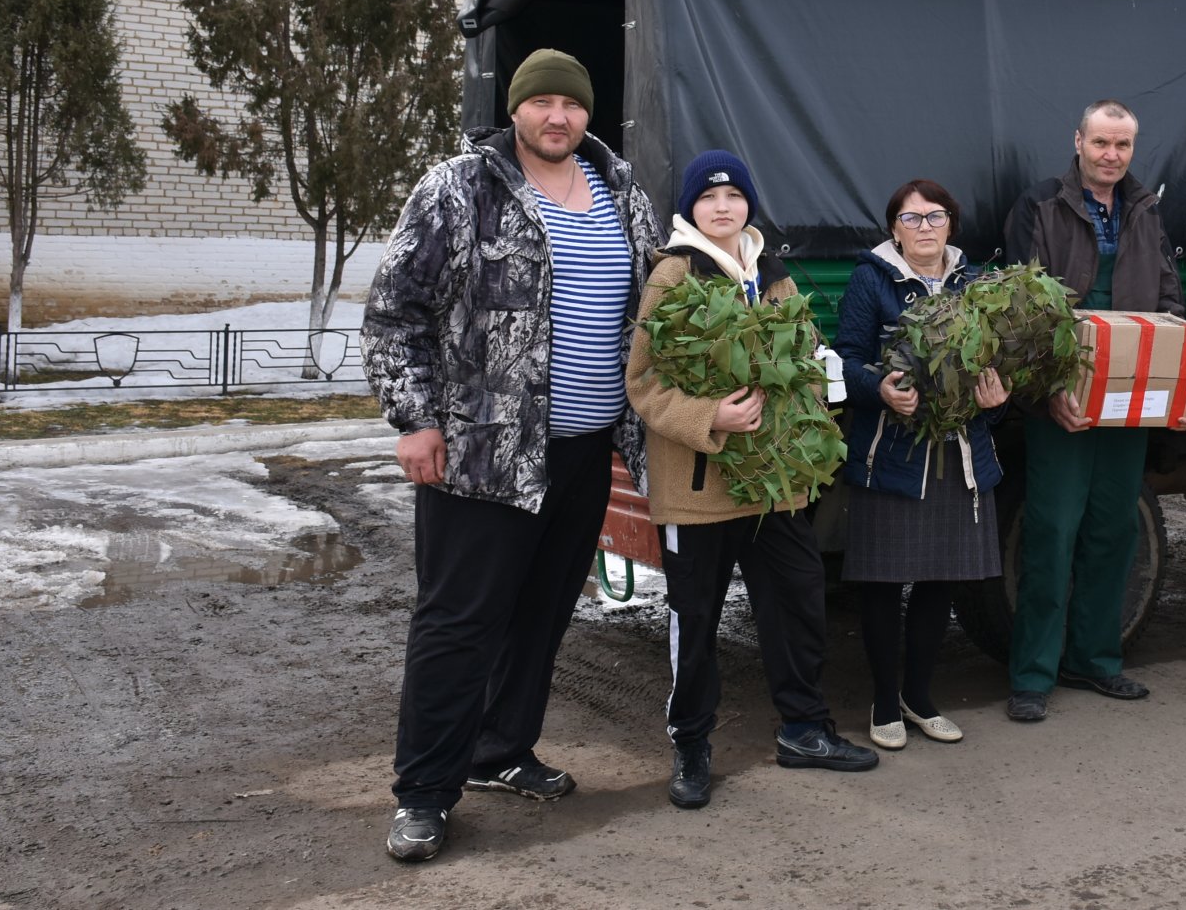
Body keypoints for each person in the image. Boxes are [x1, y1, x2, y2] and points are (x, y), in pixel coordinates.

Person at [362, 48, 663, 863]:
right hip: (481, 453)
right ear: (517, 110)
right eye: (542, 103)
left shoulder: (623, 192)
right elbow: (395, 311)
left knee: (541, 613)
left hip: (582, 449)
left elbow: (655, 305)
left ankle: (501, 750)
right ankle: (424, 792)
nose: (557, 116)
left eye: (571, 103)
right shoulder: (461, 186)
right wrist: (415, 419)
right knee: (458, 623)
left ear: (587, 114)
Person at [626, 149, 879, 810]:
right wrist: (712, 414)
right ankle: (690, 744)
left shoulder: (773, 276)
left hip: (773, 486)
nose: (722, 206)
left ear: (748, 204)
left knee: (798, 600)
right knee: (697, 618)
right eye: (709, 198)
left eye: (734, 195)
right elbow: (644, 381)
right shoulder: (673, 276)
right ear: (691, 208)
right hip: (700, 485)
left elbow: (802, 359)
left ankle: (804, 728)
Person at [1001, 99, 1186, 723]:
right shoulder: (1039, 205)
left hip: (1132, 395)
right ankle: (1033, 674)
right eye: (1101, 144)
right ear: (1078, 142)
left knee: (1113, 530)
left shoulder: (1146, 209)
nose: (1111, 156)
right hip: (1063, 396)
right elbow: (1017, 310)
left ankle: (1096, 660)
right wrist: (1046, 392)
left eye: (1123, 146)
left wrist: (1185, 384)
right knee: (1052, 532)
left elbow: (1170, 300)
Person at [834, 180, 1009, 750]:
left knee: (941, 579)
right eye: (911, 219)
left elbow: (999, 365)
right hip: (891, 454)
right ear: (895, 229)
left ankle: (919, 695)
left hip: (957, 456)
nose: (925, 228)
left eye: (935, 217)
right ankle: (885, 701)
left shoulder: (977, 284)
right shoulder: (872, 280)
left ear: (951, 224)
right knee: (884, 582)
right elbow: (846, 361)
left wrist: (996, 398)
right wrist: (880, 389)